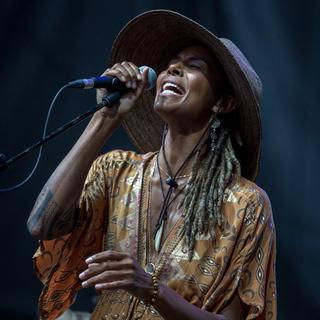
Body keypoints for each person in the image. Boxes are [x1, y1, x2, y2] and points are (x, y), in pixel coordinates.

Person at [27, 10, 276, 320]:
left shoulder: (245, 205)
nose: (173, 67)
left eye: (194, 66)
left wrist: (151, 287)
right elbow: (41, 225)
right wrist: (105, 118)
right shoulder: (117, 171)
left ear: (223, 103)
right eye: (172, 62)